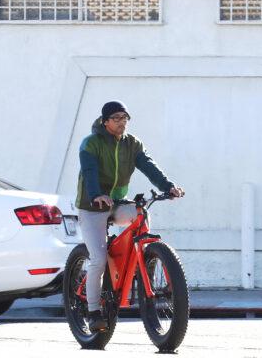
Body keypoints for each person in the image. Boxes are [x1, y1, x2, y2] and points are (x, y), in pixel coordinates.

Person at [75, 100, 184, 333]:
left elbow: (148, 166)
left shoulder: (132, 144)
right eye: (117, 118)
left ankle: (145, 260)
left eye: (125, 118)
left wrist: (168, 186)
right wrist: (96, 194)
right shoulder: (91, 143)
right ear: (105, 122)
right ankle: (93, 311)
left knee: (140, 213)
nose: (122, 122)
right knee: (99, 259)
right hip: (92, 205)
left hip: (116, 203)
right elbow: (89, 171)